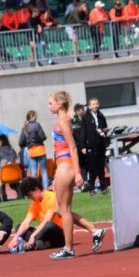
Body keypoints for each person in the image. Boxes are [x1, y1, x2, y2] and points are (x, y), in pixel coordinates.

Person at [47, 91, 105, 259]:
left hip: (66, 165)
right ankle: (94, 230)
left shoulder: (64, 121)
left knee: (64, 210)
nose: (49, 106)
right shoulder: (61, 121)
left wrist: (78, 173)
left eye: (51, 103)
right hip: (62, 167)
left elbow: (72, 148)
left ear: (59, 104)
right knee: (59, 209)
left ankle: (68, 248)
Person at [81, 97, 109, 194]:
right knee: (92, 167)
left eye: (96, 104)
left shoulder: (101, 116)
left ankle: (103, 187)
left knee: (101, 167)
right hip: (90, 145)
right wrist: (83, 146)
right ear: (89, 106)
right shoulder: (85, 117)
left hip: (100, 144)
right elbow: (83, 132)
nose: (95, 106)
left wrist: (105, 135)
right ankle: (91, 188)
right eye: (93, 104)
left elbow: (105, 128)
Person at [18, 110, 49, 189]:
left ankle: (34, 189)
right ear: (33, 116)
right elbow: (43, 136)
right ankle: (45, 190)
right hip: (40, 150)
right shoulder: (37, 125)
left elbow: (21, 141)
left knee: (33, 172)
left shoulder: (25, 127)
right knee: (44, 171)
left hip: (31, 151)